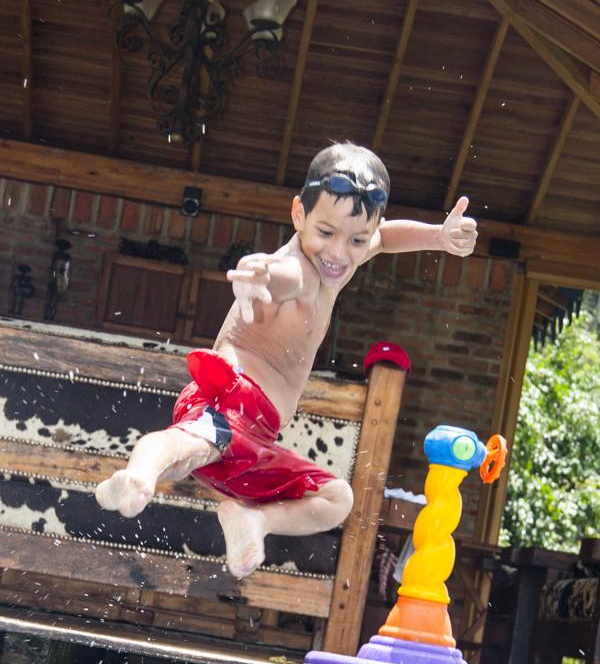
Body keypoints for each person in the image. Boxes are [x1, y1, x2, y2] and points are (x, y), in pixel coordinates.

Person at [96, 142, 477, 579]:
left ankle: (254, 520)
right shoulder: (297, 267)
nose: (338, 252)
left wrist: (438, 238)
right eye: (326, 233)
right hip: (229, 399)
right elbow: (282, 277)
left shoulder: (344, 255)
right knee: (185, 448)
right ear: (298, 215)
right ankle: (140, 474)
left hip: (257, 437)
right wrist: (259, 275)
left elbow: (385, 237)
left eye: (355, 239)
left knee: (337, 500)